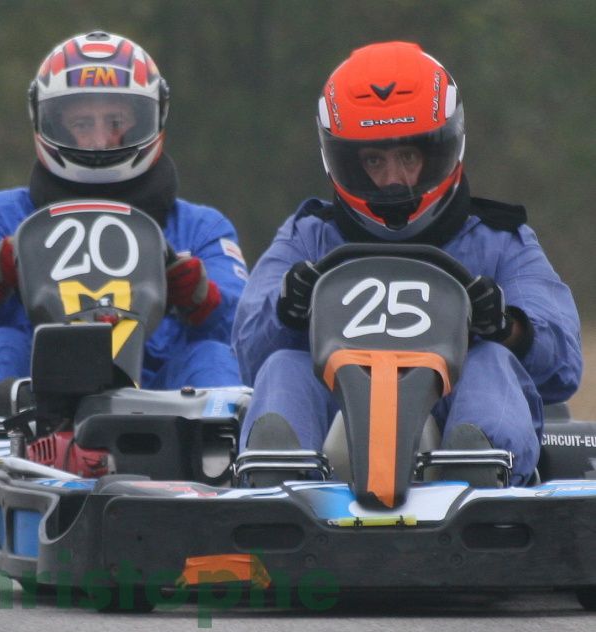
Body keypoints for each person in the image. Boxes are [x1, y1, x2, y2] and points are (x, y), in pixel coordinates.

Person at [232, 41, 582, 486]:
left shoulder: (496, 237)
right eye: (374, 161)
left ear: (442, 149)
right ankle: (275, 487)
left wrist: (508, 326)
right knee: (284, 363)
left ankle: (479, 480)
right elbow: (247, 349)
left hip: (450, 412)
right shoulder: (310, 235)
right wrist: (286, 309)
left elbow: (563, 361)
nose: (393, 179)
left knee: (490, 359)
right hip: (337, 418)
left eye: (408, 158)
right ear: (340, 158)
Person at [0, 31, 248, 437]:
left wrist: (201, 297)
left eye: (116, 122)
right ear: (48, 121)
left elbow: (247, 333)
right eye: (81, 123)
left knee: (212, 354)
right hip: (35, 399)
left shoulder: (200, 228)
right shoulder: (0, 216)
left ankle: (220, 475)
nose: (100, 139)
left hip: (158, 401)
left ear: (152, 118)